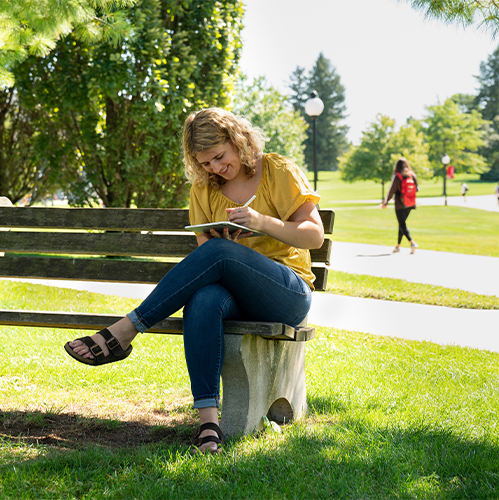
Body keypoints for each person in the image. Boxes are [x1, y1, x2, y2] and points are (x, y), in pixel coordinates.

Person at [63, 107, 324, 454]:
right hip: (235, 290)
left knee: (219, 253)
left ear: (238, 141)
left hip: (286, 291)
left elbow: (314, 236)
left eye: (219, 156)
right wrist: (229, 246)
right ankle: (208, 423)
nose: (215, 168)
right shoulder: (204, 189)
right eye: (205, 163)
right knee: (203, 300)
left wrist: (261, 222)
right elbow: (208, 259)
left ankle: (126, 330)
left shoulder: (277, 170)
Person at [381, 157, 419, 254]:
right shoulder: (412, 175)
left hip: (400, 204)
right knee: (402, 224)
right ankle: (398, 246)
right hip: (410, 204)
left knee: (402, 224)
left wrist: (385, 202)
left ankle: (412, 243)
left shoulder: (397, 176)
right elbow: (417, 189)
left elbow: (391, 191)